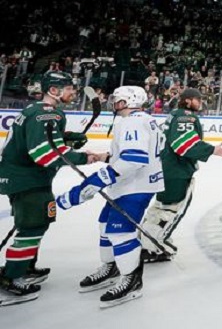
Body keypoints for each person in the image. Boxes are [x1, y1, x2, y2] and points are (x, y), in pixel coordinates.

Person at [56, 85, 164, 308]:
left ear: (127, 101)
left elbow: (134, 159)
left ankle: (131, 280)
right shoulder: (141, 119)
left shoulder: (133, 122)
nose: (113, 102)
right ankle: (112, 267)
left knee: (120, 232)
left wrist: (100, 178)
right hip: (130, 183)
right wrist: (105, 157)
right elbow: (131, 153)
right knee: (105, 226)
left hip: (135, 186)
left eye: (117, 99)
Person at [0, 71, 102, 306]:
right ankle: (11, 277)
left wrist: (67, 138)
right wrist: (84, 157)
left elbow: (44, 139)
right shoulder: (45, 114)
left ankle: (25, 267)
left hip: (22, 178)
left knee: (33, 223)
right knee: (33, 227)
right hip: (28, 180)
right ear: (54, 91)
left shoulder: (38, 110)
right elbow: (43, 154)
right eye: (68, 88)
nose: (73, 92)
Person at [140, 88, 222, 263]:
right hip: (176, 170)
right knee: (169, 210)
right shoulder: (186, 117)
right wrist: (211, 150)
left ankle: (145, 243)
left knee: (159, 208)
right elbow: (182, 144)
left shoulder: (174, 114)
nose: (200, 102)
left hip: (165, 168)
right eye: (197, 99)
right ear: (187, 100)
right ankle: (155, 247)